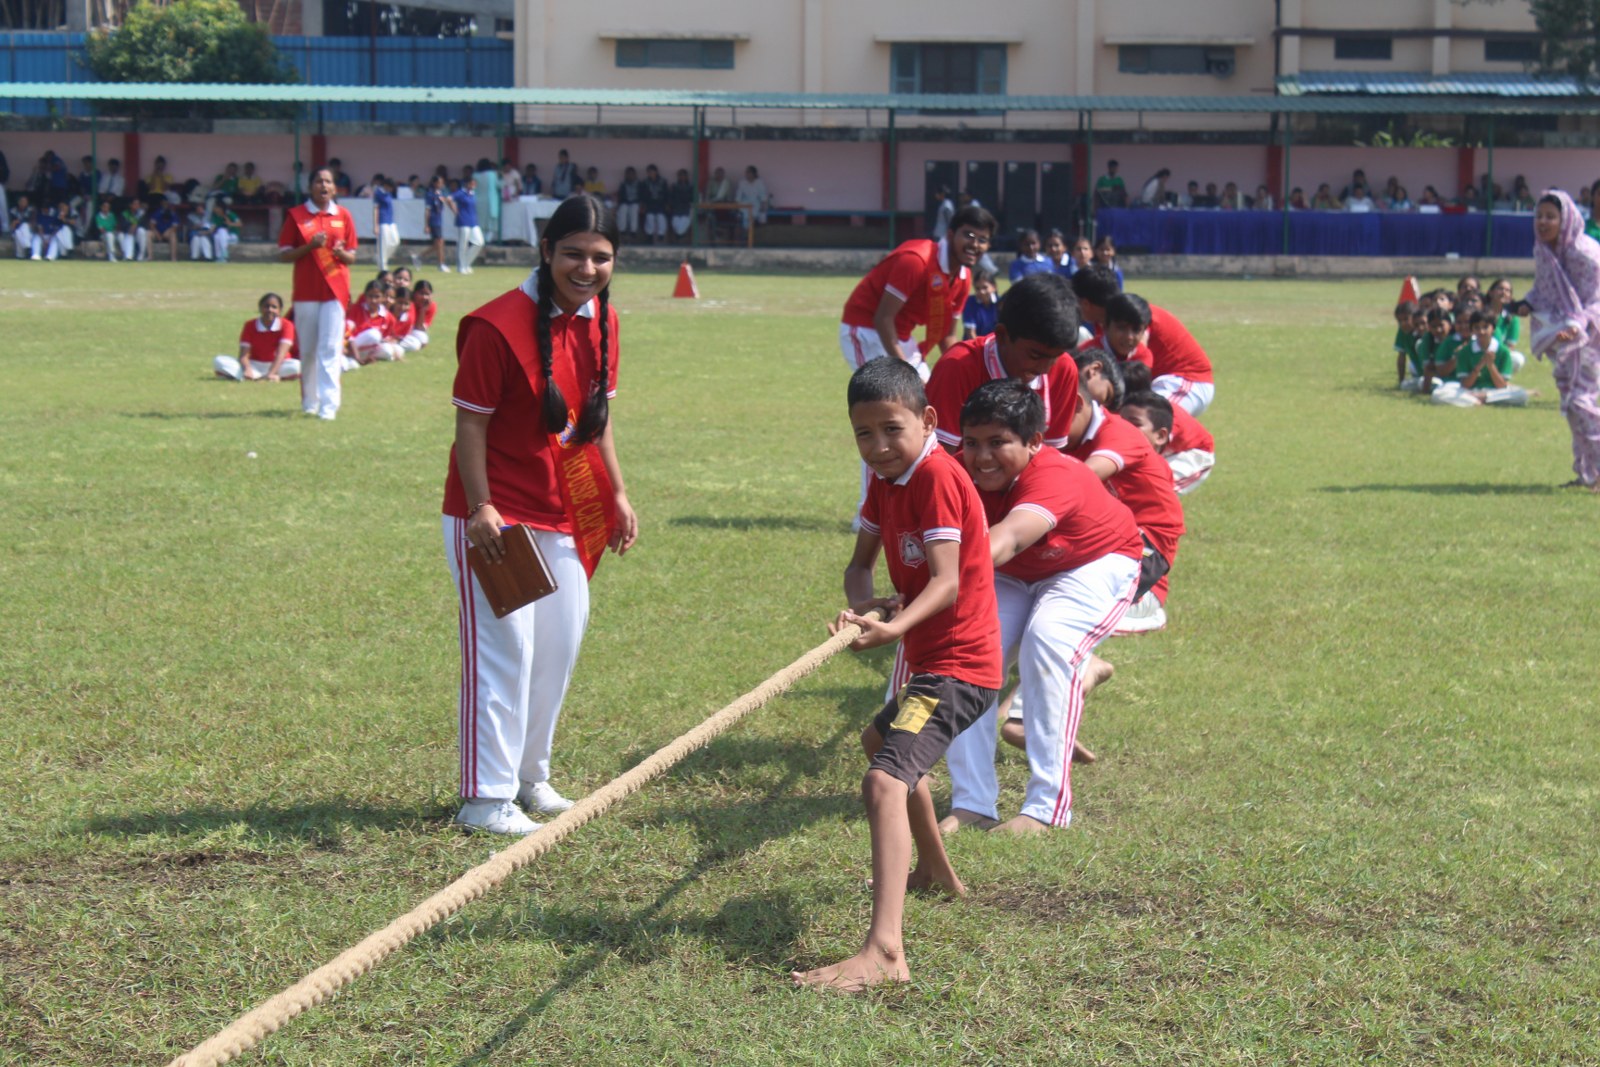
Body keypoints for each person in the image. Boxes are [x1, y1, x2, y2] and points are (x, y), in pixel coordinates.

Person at [791, 357, 1001, 993]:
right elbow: (859, 566)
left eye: (891, 429)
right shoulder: (887, 480)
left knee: (884, 781)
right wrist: (864, 605)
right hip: (936, 663)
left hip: (960, 668)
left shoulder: (935, 475)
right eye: (864, 433)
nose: (879, 445)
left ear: (928, 420)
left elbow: (947, 580)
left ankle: (885, 952)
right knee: (881, 743)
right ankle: (936, 873)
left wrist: (895, 626)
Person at [442, 193, 638, 835]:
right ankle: (484, 799)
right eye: (574, 254)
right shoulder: (495, 326)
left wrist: (617, 494)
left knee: (558, 647)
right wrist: (481, 507)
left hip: (565, 511)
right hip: (496, 517)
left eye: (601, 257)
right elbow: (471, 425)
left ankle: (530, 777)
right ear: (547, 250)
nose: (587, 268)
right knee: (508, 650)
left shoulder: (602, 320)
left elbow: (597, 421)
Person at [940, 379, 1141, 835]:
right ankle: (972, 802)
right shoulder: (956, 473)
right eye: (971, 442)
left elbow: (1009, 537)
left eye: (998, 442)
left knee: (1048, 638)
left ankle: (1047, 808)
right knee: (969, 650)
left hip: (1094, 562)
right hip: (1014, 572)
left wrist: (941, 581)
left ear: (1034, 442)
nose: (982, 457)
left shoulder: (1056, 475)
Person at [1064, 353, 1184, 635]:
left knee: (1079, 606)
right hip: (1112, 535)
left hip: (1146, 543)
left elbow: (1081, 480)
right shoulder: (1078, 439)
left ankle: (1143, 614)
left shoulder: (1119, 436)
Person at [927, 272, 1082, 454]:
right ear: (1002, 336)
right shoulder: (958, 367)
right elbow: (939, 458)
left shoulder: (1064, 369)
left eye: (1055, 357)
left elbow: (1052, 457)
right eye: (1035, 355)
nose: (1045, 369)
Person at [839, 205, 996, 382]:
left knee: (929, 396)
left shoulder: (964, 277)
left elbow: (947, 336)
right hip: (865, 330)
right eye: (969, 235)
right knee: (893, 395)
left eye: (982, 240)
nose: (975, 244)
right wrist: (907, 375)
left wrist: (968, 374)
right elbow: (883, 318)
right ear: (950, 234)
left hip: (901, 337)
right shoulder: (916, 260)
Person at [1514, 191, 1600, 486]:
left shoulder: (1585, 254)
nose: (1543, 222)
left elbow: (1596, 299)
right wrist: (1526, 304)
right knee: (1573, 408)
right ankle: (1587, 474)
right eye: (1539, 216)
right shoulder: (1544, 251)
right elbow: (1543, 290)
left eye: (1551, 216)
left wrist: (1578, 325)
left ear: (1566, 219)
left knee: (1581, 403)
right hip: (1562, 338)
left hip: (1589, 337)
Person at [277, 167, 358, 421]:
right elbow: (284, 254)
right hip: (306, 292)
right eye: (318, 181)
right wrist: (310, 246)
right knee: (309, 350)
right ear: (310, 186)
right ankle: (310, 402)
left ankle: (329, 405)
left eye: (328, 181)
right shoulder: (297, 216)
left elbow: (352, 255)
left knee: (331, 348)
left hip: (335, 290)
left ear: (334, 188)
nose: (323, 185)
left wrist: (341, 254)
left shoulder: (343, 215)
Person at [1077, 274, 1215, 416]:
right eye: (1121, 328)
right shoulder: (1088, 351)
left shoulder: (1142, 350)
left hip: (1187, 379)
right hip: (1156, 384)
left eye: (1136, 330)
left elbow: (1134, 399)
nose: (1129, 336)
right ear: (1105, 325)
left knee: (1153, 416)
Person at [1119, 390, 1215, 495]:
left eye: (1135, 424)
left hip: (1194, 454)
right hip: (1164, 449)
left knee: (1157, 489)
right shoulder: (1133, 409)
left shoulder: (1163, 419)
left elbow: (1148, 457)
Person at [1432, 310, 1530, 407]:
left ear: (1493, 328)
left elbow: (1501, 386)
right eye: (1477, 328)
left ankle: (1480, 399)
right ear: (1472, 330)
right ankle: (1478, 400)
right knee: (1438, 394)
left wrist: (1491, 366)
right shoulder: (1465, 351)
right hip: (1470, 391)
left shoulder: (1503, 351)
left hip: (1494, 392)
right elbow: (1465, 385)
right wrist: (1479, 365)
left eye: (1485, 327)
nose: (1481, 331)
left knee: (1521, 395)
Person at [214, 292, 300, 382]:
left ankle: (266, 376)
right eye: (266, 306)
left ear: (280, 310)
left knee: (297, 366)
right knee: (219, 360)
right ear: (260, 308)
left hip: (280, 364)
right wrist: (247, 369)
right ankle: (257, 376)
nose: (270, 310)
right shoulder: (250, 325)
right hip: (255, 365)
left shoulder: (287, 325)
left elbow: (281, 354)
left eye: (274, 307)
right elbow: (243, 355)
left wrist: (271, 373)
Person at [450, 176, 485, 275]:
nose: (474, 185)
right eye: (472, 183)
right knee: (463, 244)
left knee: (479, 242)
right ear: (467, 184)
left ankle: (466, 263)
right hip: (463, 220)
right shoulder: (461, 193)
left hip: (473, 221)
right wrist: (455, 211)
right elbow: (449, 199)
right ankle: (461, 266)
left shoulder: (473, 194)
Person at [398, 279, 438, 354]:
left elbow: (419, 327)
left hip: (412, 329)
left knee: (423, 338)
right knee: (415, 345)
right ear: (414, 293)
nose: (424, 297)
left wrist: (423, 310)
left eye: (427, 294)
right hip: (401, 329)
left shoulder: (431, 306)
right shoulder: (408, 303)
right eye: (421, 293)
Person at [961, 270, 999, 340]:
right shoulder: (970, 302)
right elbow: (970, 333)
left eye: (985, 287)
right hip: (974, 344)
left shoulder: (1001, 303)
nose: (981, 291)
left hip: (994, 344)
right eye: (977, 288)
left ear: (994, 287)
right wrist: (982, 347)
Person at [372, 175, 399, 272]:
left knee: (395, 241)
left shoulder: (389, 194)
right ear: (386, 185)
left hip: (391, 221)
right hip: (382, 221)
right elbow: (375, 209)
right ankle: (382, 265)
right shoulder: (378, 193)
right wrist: (375, 225)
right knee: (383, 244)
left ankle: (381, 258)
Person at [425, 175, 450, 272]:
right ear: (434, 183)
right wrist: (426, 224)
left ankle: (419, 256)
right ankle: (441, 264)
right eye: (439, 182)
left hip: (439, 220)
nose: (441, 184)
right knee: (439, 242)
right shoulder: (430, 194)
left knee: (439, 244)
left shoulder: (441, 193)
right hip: (433, 220)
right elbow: (427, 210)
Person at [640, 164, 668, 245]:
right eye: (649, 172)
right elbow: (643, 195)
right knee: (649, 217)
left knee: (661, 217)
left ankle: (661, 235)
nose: (650, 174)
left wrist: (667, 204)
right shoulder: (645, 182)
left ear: (656, 172)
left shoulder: (663, 181)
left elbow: (666, 194)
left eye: (652, 172)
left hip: (660, 204)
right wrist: (643, 205)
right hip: (650, 204)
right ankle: (649, 236)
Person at [669, 168, 696, 239]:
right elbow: (671, 198)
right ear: (678, 176)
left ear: (687, 176)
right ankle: (679, 235)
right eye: (680, 175)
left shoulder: (691, 186)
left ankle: (680, 235)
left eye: (684, 175)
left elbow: (693, 199)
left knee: (683, 225)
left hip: (687, 210)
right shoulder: (674, 186)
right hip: (676, 210)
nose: (682, 177)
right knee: (676, 224)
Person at [615, 166, 641, 237]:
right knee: (622, 210)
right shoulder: (623, 184)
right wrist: (619, 204)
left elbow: (642, 195)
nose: (630, 176)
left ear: (635, 175)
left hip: (635, 202)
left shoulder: (639, 184)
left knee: (634, 211)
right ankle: (622, 230)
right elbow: (620, 195)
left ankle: (633, 231)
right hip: (625, 202)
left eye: (632, 174)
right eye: (628, 174)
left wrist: (641, 203)